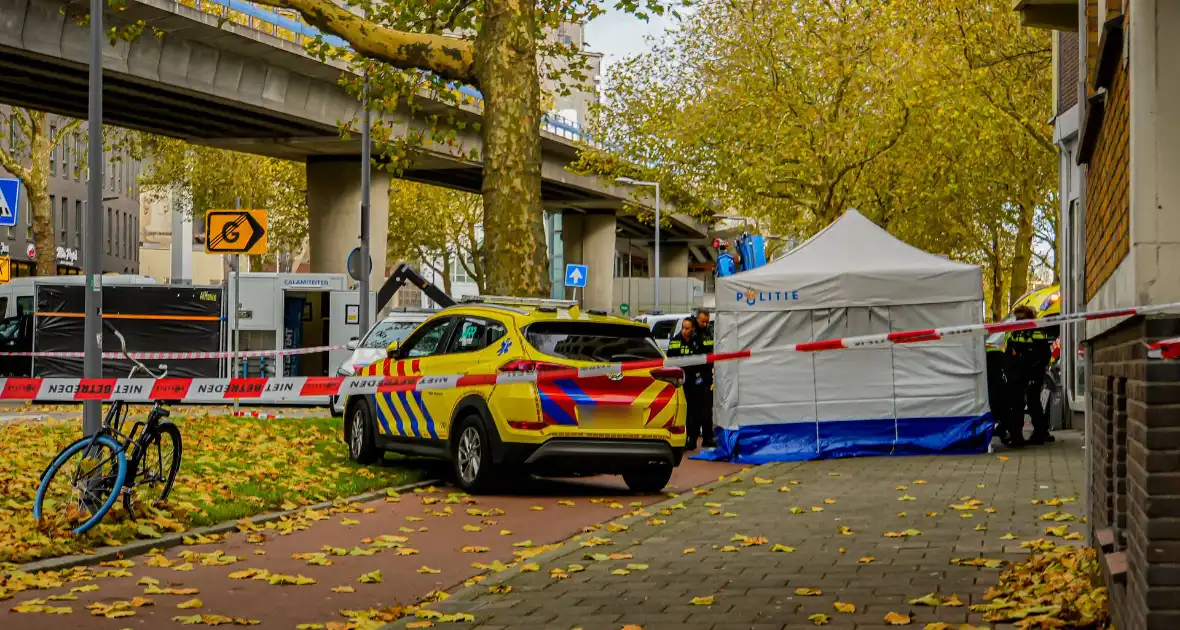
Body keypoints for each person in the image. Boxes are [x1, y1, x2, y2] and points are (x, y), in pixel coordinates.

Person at [1003, 305, 1053, 446]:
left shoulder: (1036, 331)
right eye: (1017, 317)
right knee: (1016, 404)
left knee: (1033, 403)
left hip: (1033, 374)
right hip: (1016, 374)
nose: (1018, 320)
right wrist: (1009, 372)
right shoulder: (1012, 332)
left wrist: (1034, 374)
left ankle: (1040, 433)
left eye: (1021, 317)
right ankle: (1016, 436)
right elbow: (1008, 354)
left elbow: (1043, 355)